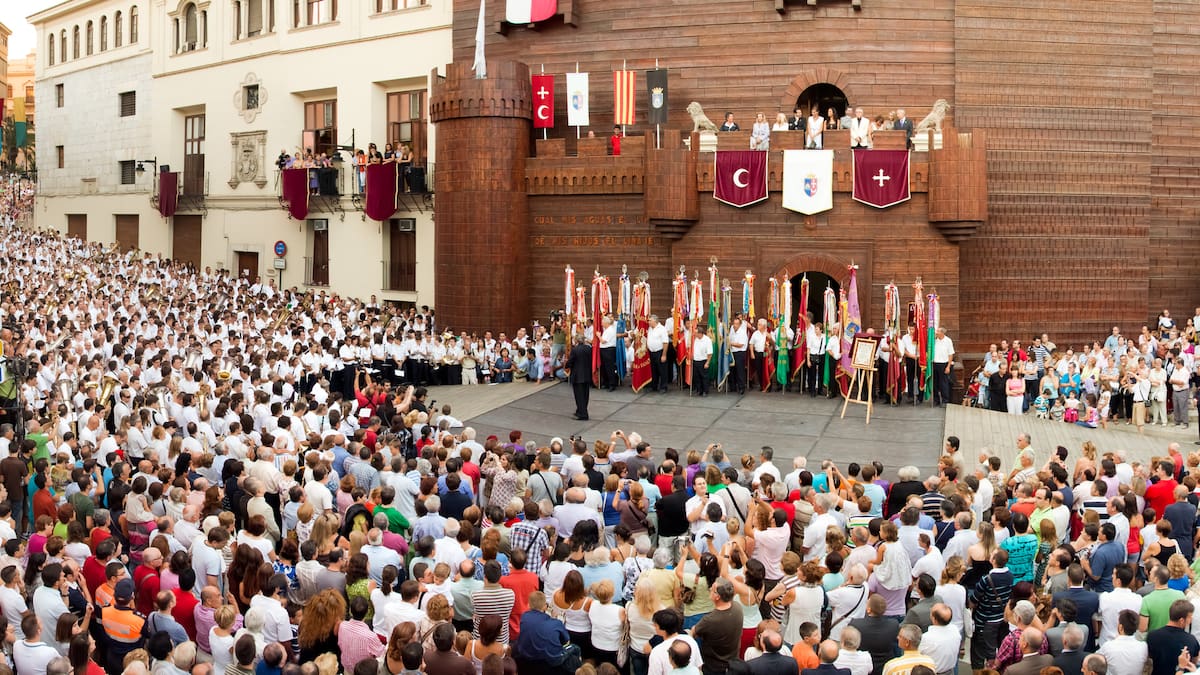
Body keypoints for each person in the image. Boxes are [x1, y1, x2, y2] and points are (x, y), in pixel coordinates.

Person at [566, 336, 592, 420]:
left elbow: (570, 361)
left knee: (579, 396)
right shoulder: (588, 348)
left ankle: (583, 414)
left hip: (577, 375)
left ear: (576, 341)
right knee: (585, 395)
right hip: (587, 374)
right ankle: (580, 410)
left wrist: (566, 365)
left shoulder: (575, 350)